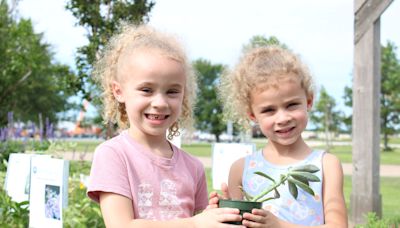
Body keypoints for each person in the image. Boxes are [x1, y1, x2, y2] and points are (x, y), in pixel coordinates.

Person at [87, 23, 243, 227]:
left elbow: (199, 221)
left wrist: (218, 213)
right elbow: (120, 225)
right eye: (146, 90)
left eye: (172, 91)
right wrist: (196, 223)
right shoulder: (113, 154)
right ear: (119, 91)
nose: (160, 103)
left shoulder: (193, 167)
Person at [208, 46, 348, 227]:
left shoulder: (326, 164)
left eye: (291, 105)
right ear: (252, 115)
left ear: (309, 101)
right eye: (268, 110)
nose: (282, 118)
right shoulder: (240, 169)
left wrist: (279, 226)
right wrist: (227, 212)